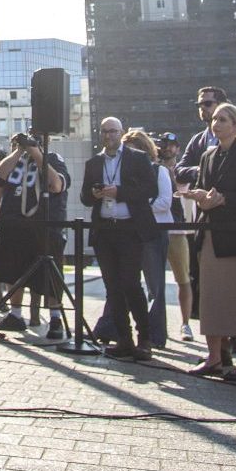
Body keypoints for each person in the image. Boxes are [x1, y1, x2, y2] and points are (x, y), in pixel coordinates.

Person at [182, 104, 236, 380]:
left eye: (223, 119)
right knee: (212, 297)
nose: (216, 123)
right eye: (215, 119)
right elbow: (204, 187)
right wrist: (200, 196)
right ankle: (215, 357)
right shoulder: (208, 156)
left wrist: (224, 198)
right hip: (211, 234)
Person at [80, 116, 159, 360]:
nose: (108, 136)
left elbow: (151, 189)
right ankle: (124, 339)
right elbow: (84, 197)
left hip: (129, 230)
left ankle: (144, 338)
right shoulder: (94, 163)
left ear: (121, 132)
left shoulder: (137, 158)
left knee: (131, 284)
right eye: (104, 132)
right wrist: (95, 194)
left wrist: (120, 192)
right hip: (105, 231)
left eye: (113, 131)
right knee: (112, 287)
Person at [94, 130, 174, 349]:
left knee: (154, 286)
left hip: (151, 232)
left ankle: (154, 333)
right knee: (122, 283)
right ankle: (112, 328)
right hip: (127, 231)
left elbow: (164, 202)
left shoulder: (158, 171)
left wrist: (135, 205)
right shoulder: (117, 171)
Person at [0, 132, 69, 337]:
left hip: (43, 229)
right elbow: (1, 174)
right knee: (12, 272)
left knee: (50, 276)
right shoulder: (15, 160)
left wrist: (37, 152)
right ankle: (16, 315)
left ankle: (55, 319)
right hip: (15, 227)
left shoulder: (53, 160)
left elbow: (56, 185)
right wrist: (20, 150)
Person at [155, 132, 196, 342]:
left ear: (178, 149)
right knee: (155, 279)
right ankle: (157, 322)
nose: (168, 149)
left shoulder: (183, 170)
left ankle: (185, 323)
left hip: (179, 229)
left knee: (183, 278)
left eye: (172, 145)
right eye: (164, 145)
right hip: (158, 228)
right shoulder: (155, 168)